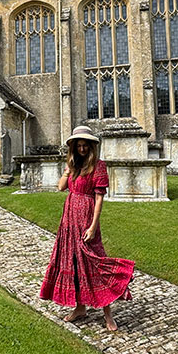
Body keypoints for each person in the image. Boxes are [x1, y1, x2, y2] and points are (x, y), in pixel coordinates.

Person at [39, 125, 135, 331]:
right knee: (73, 262)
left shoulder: (98, 166)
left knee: (94, 262)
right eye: (78, 146)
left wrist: (93, 226)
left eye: (85, 146)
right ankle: (80, 308)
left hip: (86, 217)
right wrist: (68, 167)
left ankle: (108, 314)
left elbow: (99, 199)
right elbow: (61, 187)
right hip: (69, 220)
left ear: (92, 147)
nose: (82, 149)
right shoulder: (74, 165)